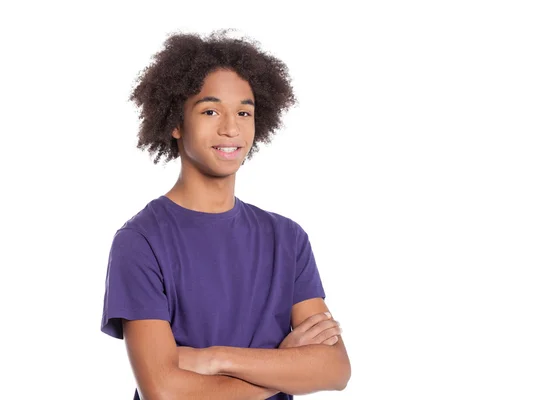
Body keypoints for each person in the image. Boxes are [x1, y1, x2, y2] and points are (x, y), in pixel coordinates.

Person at [100, 30, 351, 400]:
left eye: (244, 112)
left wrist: (215, 359)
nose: (231, 128)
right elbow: (164, 390)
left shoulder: (287, 238)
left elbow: (334, 369)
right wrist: (283, 366)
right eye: (210, 110)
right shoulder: (140, 242)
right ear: (175, 122)